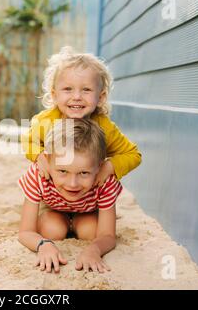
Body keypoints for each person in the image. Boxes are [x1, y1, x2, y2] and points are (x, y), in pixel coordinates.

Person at [21, 46, 141, 187]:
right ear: (54, 95)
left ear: (101, 97)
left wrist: (109, 167)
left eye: (86, 90)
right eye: (68, 89)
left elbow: (133, 154)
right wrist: (39, 156)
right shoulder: (47, 120)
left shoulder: (104, 127)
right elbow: (28, 141)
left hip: (86, 192)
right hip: (56, 189)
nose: (77, 97)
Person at [18, 119, 122, 273]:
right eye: (63, 171)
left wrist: (94, 250)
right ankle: (60, 222)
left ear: (99, 167)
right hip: (54, 211)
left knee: (91, 232)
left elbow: (107, 235)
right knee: (52, 230)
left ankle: (77, 223)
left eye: (84, 173)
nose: (72, 184)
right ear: (47, 161)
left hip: (87, 213)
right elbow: (25, 232)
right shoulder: (38, 175)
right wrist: (43, 245)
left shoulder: (105, 180)